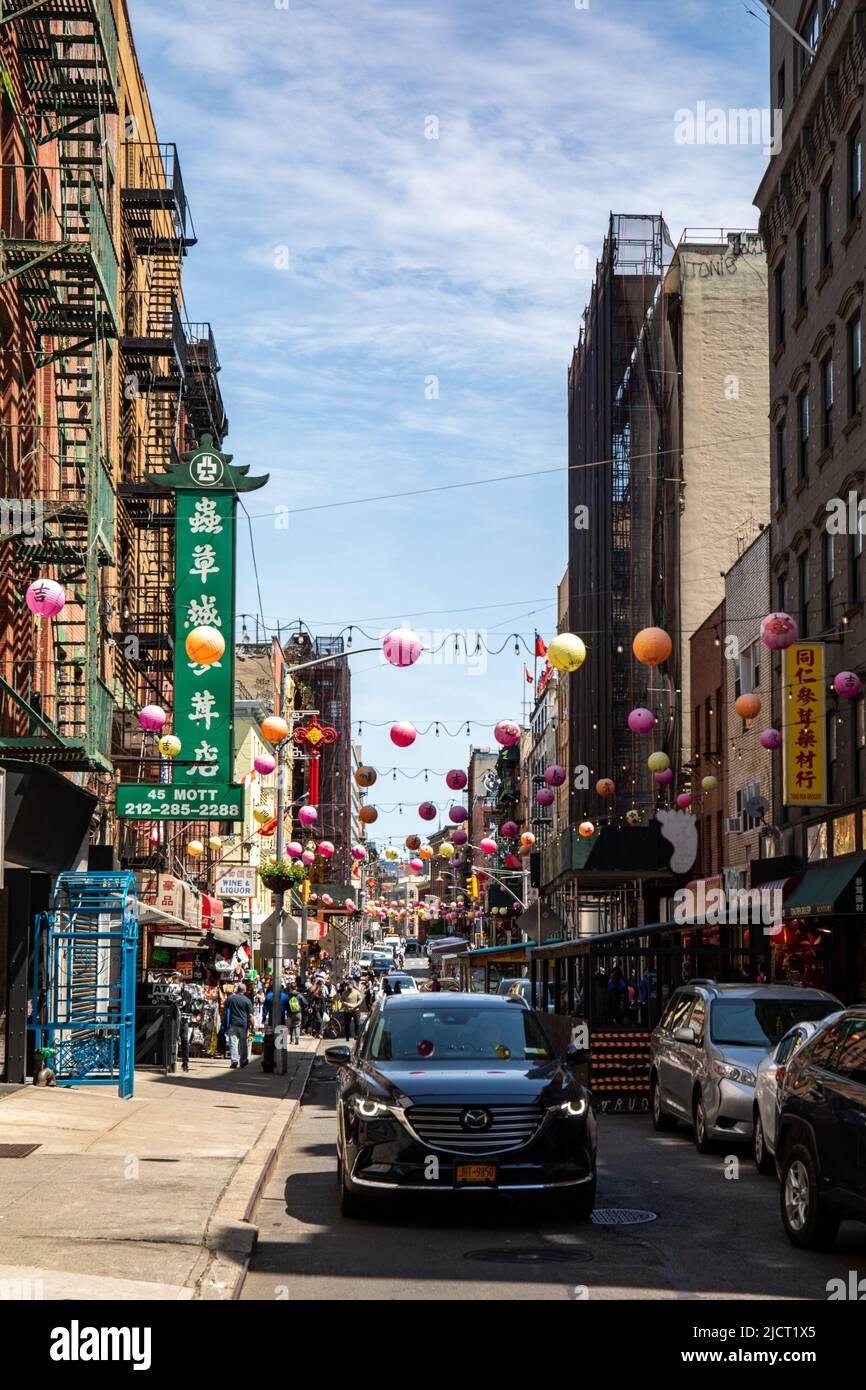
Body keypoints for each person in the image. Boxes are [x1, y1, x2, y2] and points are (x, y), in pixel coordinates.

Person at [225, 983, 254, 1069]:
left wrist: (225, 1022)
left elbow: (225, 1009)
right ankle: (243, 1061)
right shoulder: (247, 1000)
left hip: (232, 1023)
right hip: (243, 1025)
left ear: (237, 990)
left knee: (233, 1043)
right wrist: (253, 1025)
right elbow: (251, 1015)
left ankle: (234, 1061)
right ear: (244, 991)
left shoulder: (231, 998)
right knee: (243, 1043)